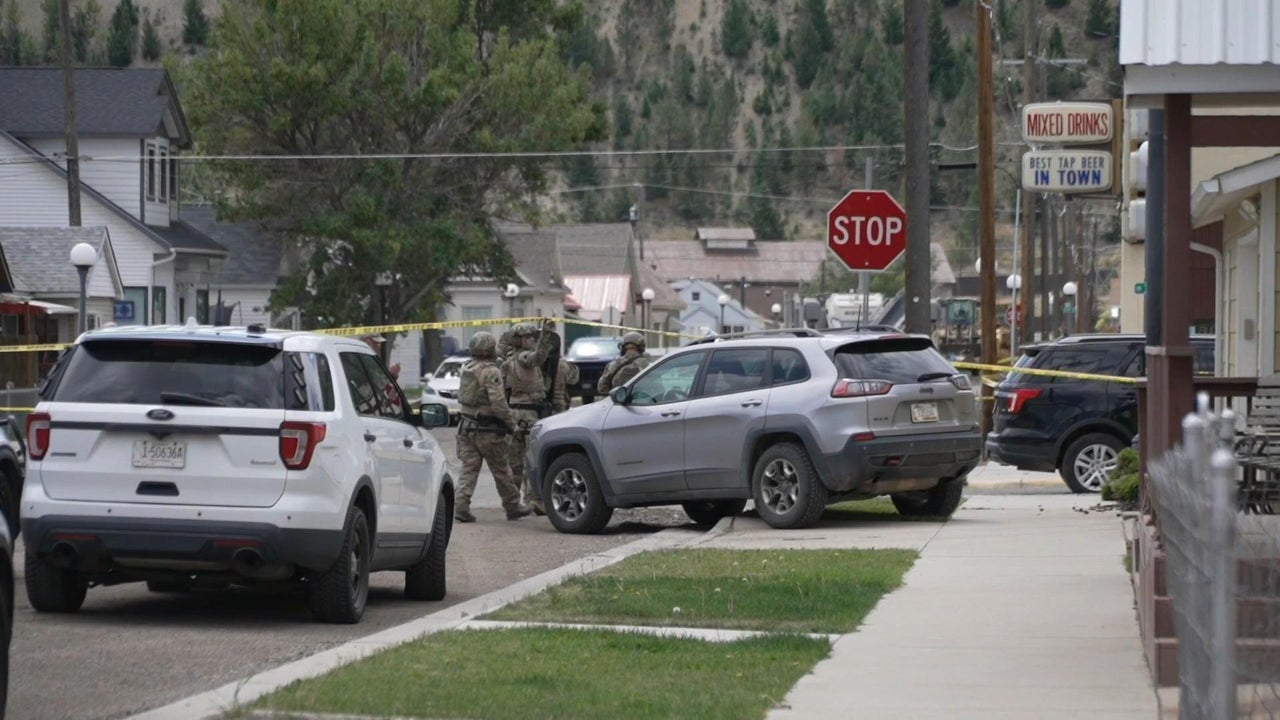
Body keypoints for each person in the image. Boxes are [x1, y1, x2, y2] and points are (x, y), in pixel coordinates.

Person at [454, 331, 532, 523]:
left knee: (469, 468)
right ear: (489, 349)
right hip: (487, 430)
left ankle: (461, 505)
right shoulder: (491, 371)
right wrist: (513, 425)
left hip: (466, 427)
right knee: (502, 470)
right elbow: (498, 404)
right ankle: (512, 506)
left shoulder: (467, 368)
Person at [503, 318, 556, 514]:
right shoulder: (524, 358)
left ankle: (512, 502)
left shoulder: (508, 361)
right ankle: (533, 499)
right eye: (527, 337)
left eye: (533, 337)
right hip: (527, 414)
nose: (531, 340)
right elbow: (538, 358)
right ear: (518, 340)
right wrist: (546, 335)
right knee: (532, 460)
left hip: (514, 413)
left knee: (515, 463)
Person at [597, 331, 653, 395]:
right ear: (642, 346)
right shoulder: (647, 365)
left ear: (622, 347)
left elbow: (601, 388)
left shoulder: (613, 365)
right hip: (643, 400)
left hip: (619, 400)